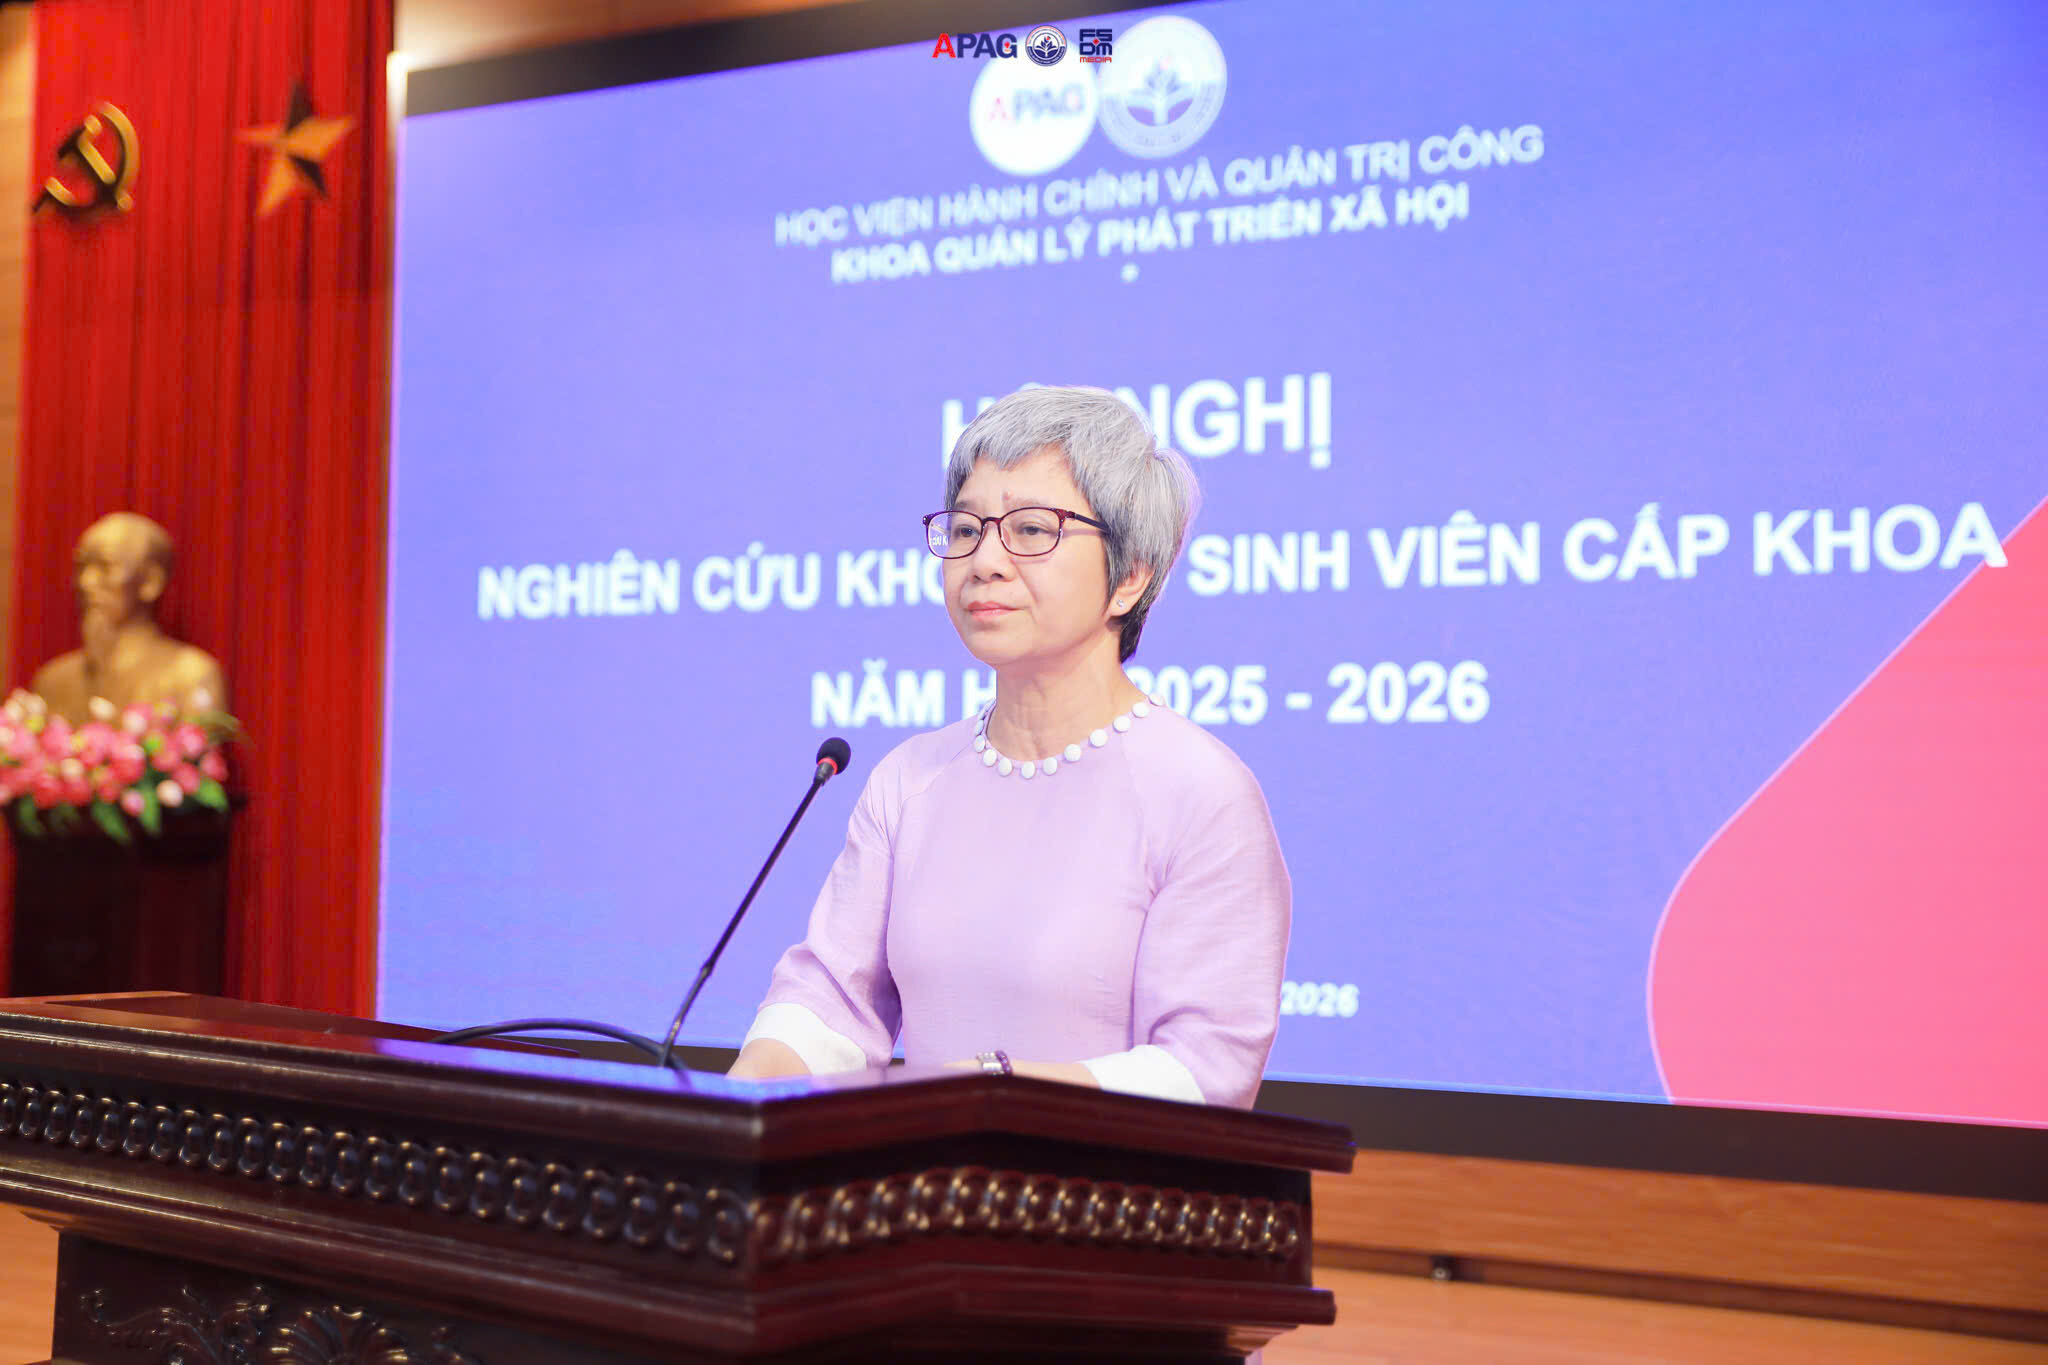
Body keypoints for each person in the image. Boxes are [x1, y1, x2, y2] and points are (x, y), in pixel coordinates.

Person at [729, 386, 1289, 1108]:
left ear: (1130, 577)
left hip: (1102, 1178)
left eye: (1031, 529)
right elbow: (831, 1003)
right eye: (966, 528)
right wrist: (739, 1096)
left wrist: (995, 1090)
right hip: (927, 1172)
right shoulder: (909, 781)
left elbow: (1204, 1071)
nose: (985, 560)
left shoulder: (1201, 793)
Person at [31, 512, 227, 725]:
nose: (86, 582)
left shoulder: (190, 677)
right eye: (81, 567)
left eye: (105, 567)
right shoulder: (54, 680)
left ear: (151, 581)